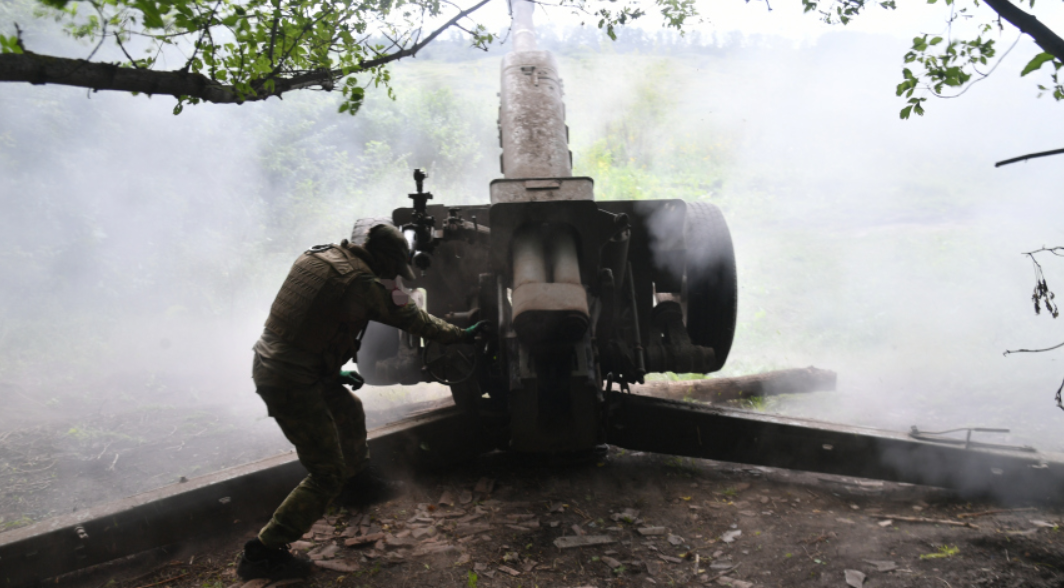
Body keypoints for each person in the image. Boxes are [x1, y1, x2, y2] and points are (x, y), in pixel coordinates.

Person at [238, 224, 482, 580]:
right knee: (326, 473)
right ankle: (262, 553)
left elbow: (304, 324)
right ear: (383, 260)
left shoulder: (320, 256)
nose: (392, 278)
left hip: (284, 364)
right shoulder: (361, 285)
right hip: (290, 381)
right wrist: (463, 335)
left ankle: (358, 484)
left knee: (349, 410)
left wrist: (330, 374)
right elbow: (413, 320)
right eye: (393, 271)